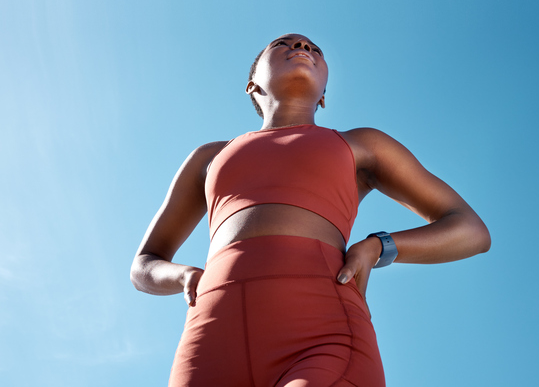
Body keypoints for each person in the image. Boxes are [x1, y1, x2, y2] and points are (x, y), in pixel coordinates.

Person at [131, 33, 491, 387]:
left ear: (323, 97)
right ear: (251, 84)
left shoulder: (360, 145)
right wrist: (181, 276)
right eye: (283, 44)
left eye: (314, 48)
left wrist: (378, 247)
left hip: (322, 331)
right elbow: (143, 264)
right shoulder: (208, 158)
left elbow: (470, 230)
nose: (303, 47)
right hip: (207, 340)